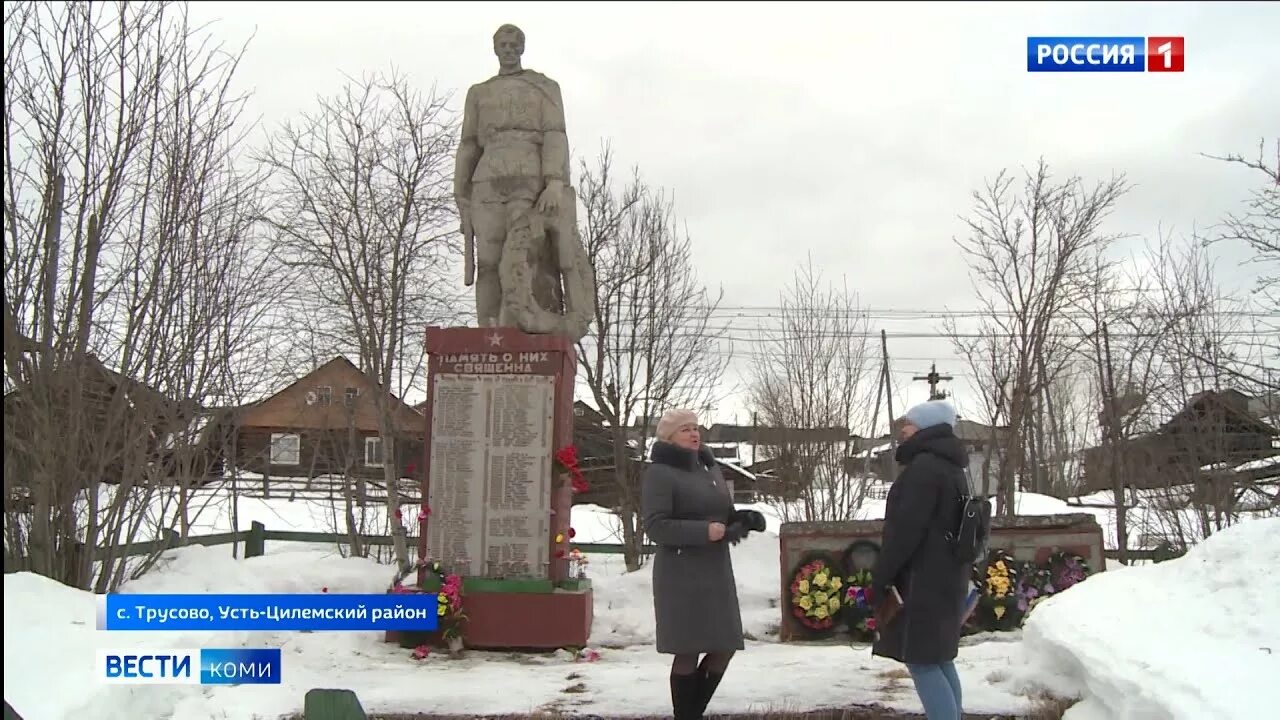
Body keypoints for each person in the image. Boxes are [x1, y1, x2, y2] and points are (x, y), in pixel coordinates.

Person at [641, 408, 764, 720]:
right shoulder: (660, 472)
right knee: (688, 650)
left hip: (715, 571)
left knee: (725, 645)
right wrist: (703, 531)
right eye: (685, 429)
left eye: (696, 428)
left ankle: (691, 714)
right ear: (668, 437)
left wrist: (742, 519)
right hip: (681, 573)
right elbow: (655, 526)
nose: (694, 434)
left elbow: (721, 513)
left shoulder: (708, 467)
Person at [870, 400, 972, 720]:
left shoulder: (924, 469)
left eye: (910, 424)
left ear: (926, 429)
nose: (903, 429)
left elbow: (905, 531)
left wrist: (882, 576)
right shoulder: (952, 466)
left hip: (922, 580)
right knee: (939, 658)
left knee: (922, 662)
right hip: (946, 576)